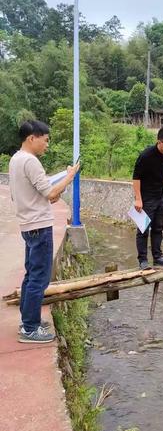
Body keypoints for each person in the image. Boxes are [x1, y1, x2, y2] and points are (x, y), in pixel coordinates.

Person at [9, 120, 80, 343]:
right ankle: (30, 328)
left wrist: (54, 191)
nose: (47, 145)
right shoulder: (30, 162)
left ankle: (28, 321)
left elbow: (39, 191)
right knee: (39, 279)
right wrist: (70, 176)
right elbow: (50, 194)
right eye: (45, 140)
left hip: (28, 225)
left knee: (32, 275)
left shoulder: (16, 159)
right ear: (32, 138)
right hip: (39, 226)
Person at [132, 126, 163, 269]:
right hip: (146, 198)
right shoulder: (146, 156)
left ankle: (157, 257)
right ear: (160, 142)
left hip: (159, 195)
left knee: (158, 228)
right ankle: (143, 260)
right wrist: (138, 199)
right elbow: (136, 178)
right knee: (143, 229)